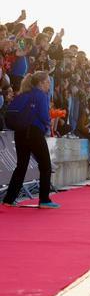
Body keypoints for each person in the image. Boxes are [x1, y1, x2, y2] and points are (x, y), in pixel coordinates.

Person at [1, 72, 56, 208]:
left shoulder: (23, 95)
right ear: (41, 83)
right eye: (47, 82)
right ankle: (44, 199)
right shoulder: (41, 95)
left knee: (21, 166)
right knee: (45, 166)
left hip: (19, 133)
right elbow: (44, 116)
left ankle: (9, 199)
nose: (49, 84)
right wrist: (49, 122)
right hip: (34, 133)